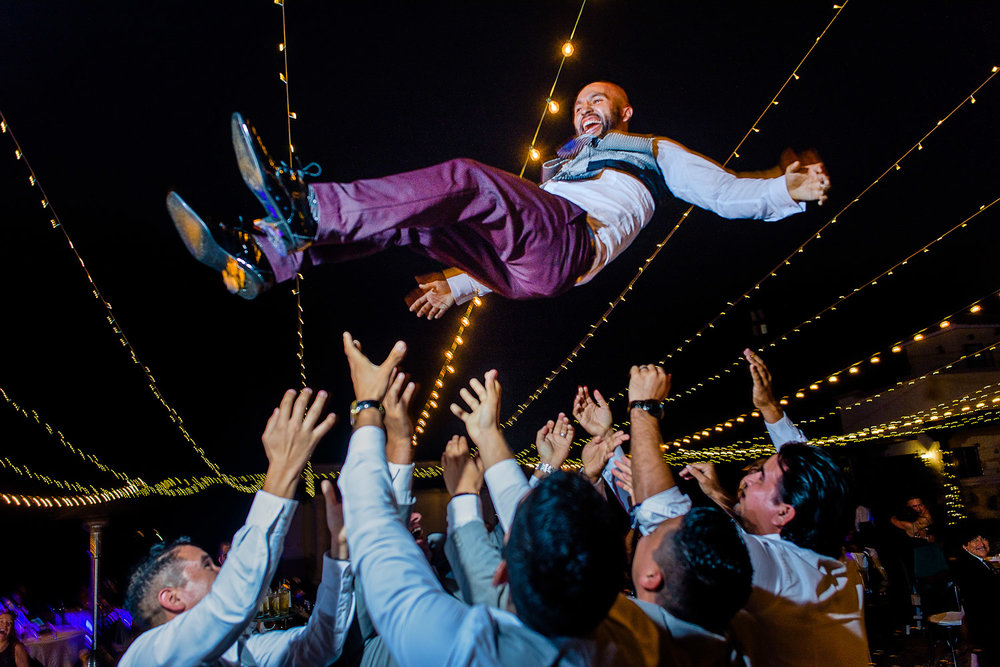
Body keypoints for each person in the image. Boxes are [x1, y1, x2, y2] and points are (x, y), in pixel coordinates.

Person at [166, 82, 831, 312]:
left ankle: (306, 205)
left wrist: (783, 191)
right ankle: (268, 254)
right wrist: (456, 288)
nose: (585, 111)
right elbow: (510, 253)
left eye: (598, 101)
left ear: (624, 110)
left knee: (467, 178)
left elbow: (720, 194)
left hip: (574, 243)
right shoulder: (558, 170)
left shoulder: (650, 150)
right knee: (416, 223)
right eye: (579, 105)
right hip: (526, 270)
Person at [337, 332, 673, 665]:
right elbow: (522, 520)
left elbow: (376, 532)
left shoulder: (468, 649)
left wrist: (367, 406)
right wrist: (489, 441)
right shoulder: (645, 637)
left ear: (502, 573)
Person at [631, 350, 867, 666]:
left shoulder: (785, 573)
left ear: (784, 513)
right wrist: (769, 409)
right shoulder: (832, 561)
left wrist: (643, 408)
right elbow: (820, 483)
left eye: (761, 476)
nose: (748, 476)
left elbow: (668, 524)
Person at [119, 388, 354, 667]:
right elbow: (230, 602)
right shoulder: (146, 654)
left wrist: (340, 553)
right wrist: (282, 470)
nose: (222, 567)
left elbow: (320, 646)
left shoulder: (238, 655)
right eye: (208, 565)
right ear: (172, 597)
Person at [950, 524, 1000, 665]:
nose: (981, 544)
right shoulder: (969, 566)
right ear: (965, 546)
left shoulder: (978, 562)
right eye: (975, 540)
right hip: (984, 622)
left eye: (983, 539)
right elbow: (987, 596)